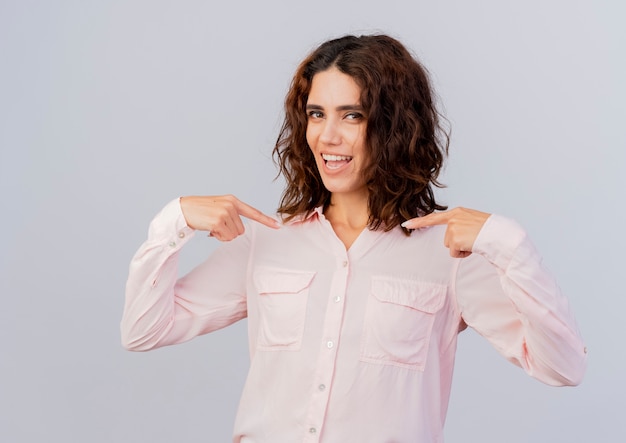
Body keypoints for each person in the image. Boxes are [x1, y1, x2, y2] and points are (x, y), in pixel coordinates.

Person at [121, 34, 587, 442]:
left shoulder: (450, 253)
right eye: (316, 114)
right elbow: (143, 331)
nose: (327, 136)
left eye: (352, 116)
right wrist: (173, 222)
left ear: (394, 126)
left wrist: (510, 244)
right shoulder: (266, 241)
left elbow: (563, 367)